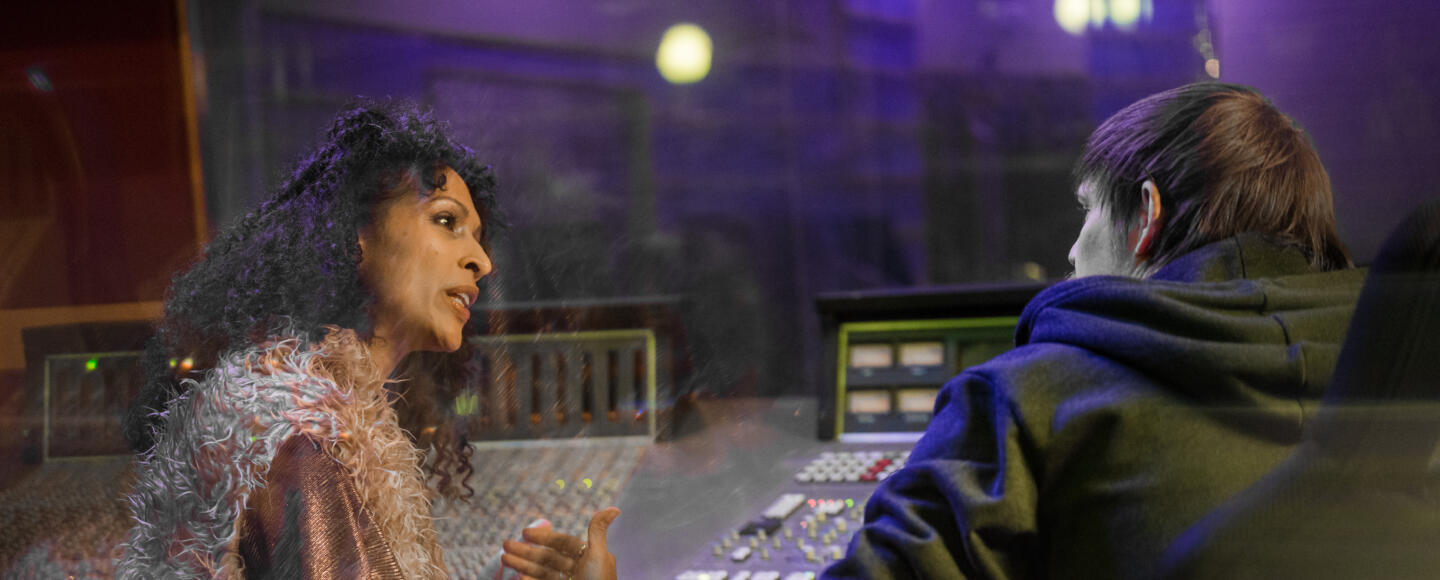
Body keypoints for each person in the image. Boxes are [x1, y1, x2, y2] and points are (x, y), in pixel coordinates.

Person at [505, 81, 1364, 579]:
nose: (1069, 250)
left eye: (1083, 217)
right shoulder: (1406, 379)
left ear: (1145, 219)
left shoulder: (1031, 400)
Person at [119, 100, 496, 578]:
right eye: (447, 221)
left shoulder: (288, 406)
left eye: (479, 238)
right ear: (356, 234)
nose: (482, 262)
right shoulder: (312, 441)